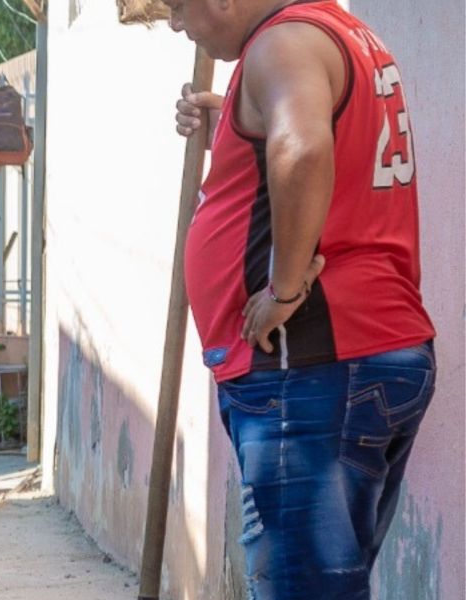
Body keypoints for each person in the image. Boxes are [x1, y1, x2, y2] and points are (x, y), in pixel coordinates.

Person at [169, 1, 436, 596]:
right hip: (364, 356)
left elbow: (303, 148)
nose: (174, 23)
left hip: (311, 367)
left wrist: (283, 289)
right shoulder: (338, 33)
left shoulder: (281, 44)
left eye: (177, 5)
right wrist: (237, 126)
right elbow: (309, 145)